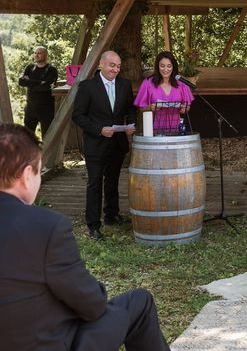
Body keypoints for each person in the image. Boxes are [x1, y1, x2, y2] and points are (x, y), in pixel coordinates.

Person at [0, 123, 170, 350]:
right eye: (39, 171)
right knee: (139, 301)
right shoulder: (46, 227)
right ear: (25, 175)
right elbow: (92, 304)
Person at [72, 50, 136, 240]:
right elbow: (78, 116)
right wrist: (99, 129)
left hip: (117, 142)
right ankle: (93, 225)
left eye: (118, 66)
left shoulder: (124, 85)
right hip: (95, 143)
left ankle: (111, 215)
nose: (115, 70)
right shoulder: (87, 86)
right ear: (101, 64)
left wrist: (130, 125)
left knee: (113, 181)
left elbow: (131, 109)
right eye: (112, 65)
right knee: (94, 184)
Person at [134, 51, 194, 134]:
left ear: (173, 67)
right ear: (157, 66)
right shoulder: (148, 83)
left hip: (177, 130)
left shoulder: (181, 84)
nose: (166, 69)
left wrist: (184, 108)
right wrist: (151, 107)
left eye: (169, 66)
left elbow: (187, 107)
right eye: (162, 66)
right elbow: (141, 108)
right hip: (153, 130)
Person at [18, 45, 58, 136]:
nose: (36, 55)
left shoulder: (51, 70)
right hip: (30, 108)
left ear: (46, 55)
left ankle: (46, 151)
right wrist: (40, 82)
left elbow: (46, 87)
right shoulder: (29, 67)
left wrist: (29, 82)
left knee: (47, 137)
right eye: (35, 53)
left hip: (46, 109)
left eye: (39, 53)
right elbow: (21, 82)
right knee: (27, 137)